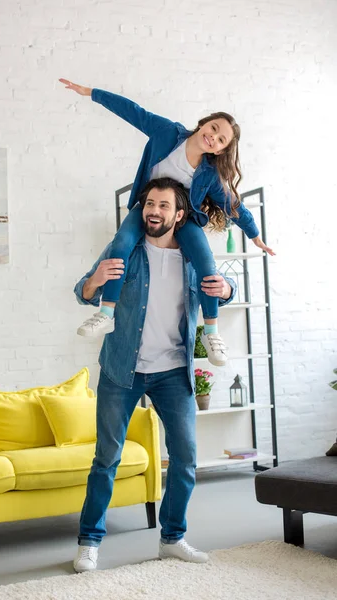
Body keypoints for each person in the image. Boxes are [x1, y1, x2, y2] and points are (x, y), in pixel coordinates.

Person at [72, 177, 237, 573]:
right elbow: (83, 290)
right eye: (149, 204)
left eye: (164, 206)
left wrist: (227, 289)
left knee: (185, 459)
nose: (154, 211)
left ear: (179, 215)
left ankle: (172, 538)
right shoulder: (125, 249)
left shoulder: (194, 258)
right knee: (106, 458)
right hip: (121, 370)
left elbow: (223, 289)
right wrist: (94, 281)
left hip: (172, 372)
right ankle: (89, 542)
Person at [60, 79, 275, 368]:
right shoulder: (168, 133)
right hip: (149, 207)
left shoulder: (210, 174)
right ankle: (106, 314)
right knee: (121, 244)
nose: (214, 137)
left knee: (207, 265)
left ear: (220, 150)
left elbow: (232, 204)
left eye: (221, 139)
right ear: (203, 124)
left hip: (182, 218)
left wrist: (255, 234)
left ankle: (211, 332)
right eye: (214, 128)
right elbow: (133, 111)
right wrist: (92, 93)